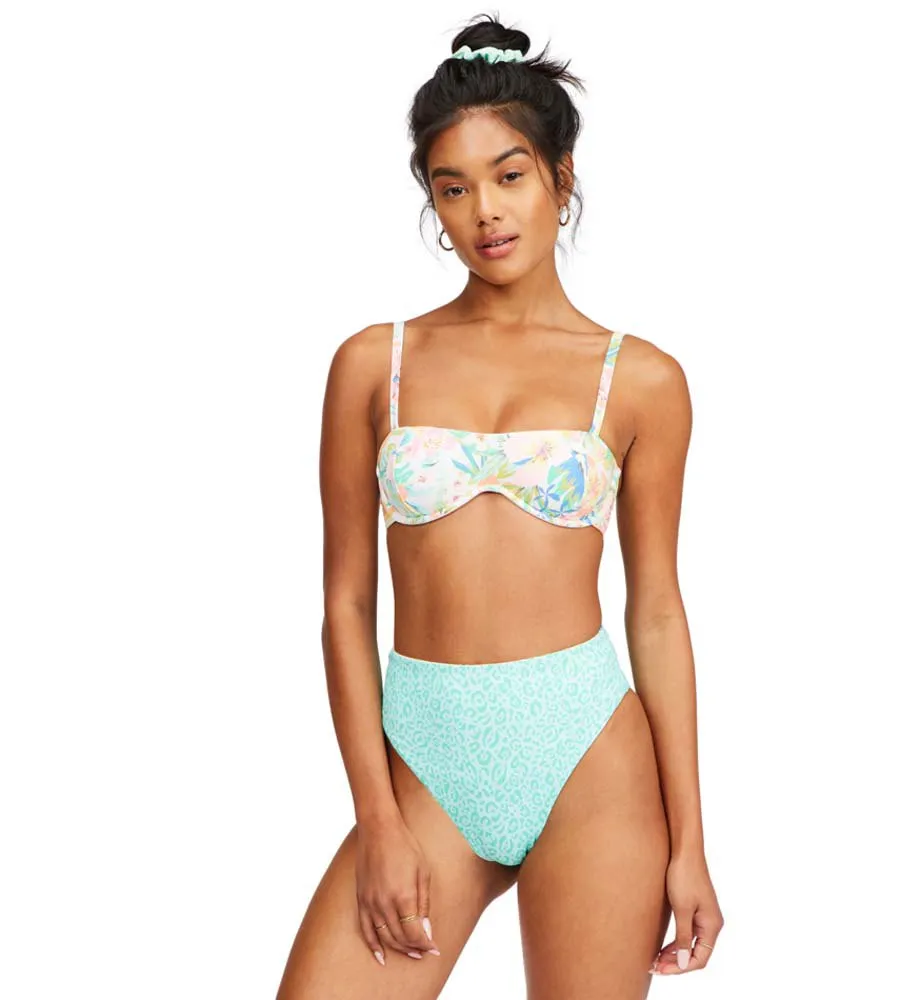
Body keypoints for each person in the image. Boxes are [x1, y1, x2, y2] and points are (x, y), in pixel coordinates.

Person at [276, 13, 723, 999]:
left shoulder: (640, 379)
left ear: (561, 175)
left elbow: (656, 609)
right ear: (432, 202)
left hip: (589, 755)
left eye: (509, 174)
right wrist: (377, 817)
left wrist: (691, 842)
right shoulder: (374, 364)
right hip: (424, 760)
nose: (484, 210)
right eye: (453, 186)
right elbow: (345, 605)